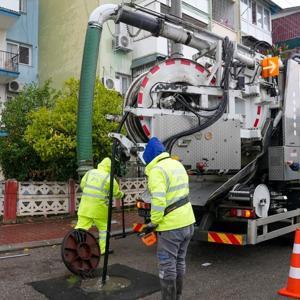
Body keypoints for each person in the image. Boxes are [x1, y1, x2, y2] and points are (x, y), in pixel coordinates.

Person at [143, 137, 195, 300]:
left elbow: (158, 201)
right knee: (179, 261)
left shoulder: (157, 171)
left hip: (171, 227)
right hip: (188, 222)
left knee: (167, 265)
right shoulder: (177, 164)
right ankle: (177, 296)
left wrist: (154, 222)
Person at [75, 157, 124, 255]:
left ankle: (76, 247)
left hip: (85, 207)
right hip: (99, 209)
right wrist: (122, 195)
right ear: (110, 167)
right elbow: (116, 193)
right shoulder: (109, 178)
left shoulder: (90, 172)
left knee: (81, 227)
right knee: (103, 229)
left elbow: (82, 185)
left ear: (101, 164)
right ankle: (103, 250)